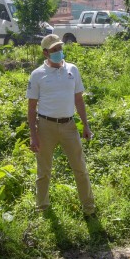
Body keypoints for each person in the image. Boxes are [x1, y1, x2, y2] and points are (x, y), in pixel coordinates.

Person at [27, 34, 97, 217]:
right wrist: (33, 135)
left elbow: (79, 100)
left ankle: (89, 208)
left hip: (69, 126)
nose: (58, 52)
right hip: (45, 127)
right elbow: (32, 107)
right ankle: (42, 208)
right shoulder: (37, 75)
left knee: (80, 168)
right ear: (45, 53)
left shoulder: (72, 70)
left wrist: (85, 126)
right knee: (44, 171)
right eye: (54, 50)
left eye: (59, 48)